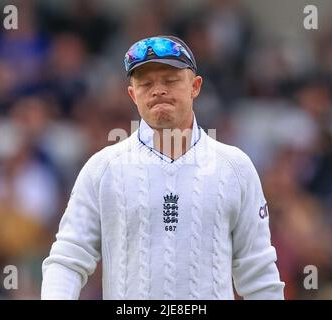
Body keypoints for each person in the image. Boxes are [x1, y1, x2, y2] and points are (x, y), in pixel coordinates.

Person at [41, 35, 285, 300]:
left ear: (195, 86)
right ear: (133, 95)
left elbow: (258, 272)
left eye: (170, 80)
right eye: (146, 84)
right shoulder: (103, 169)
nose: (158, 90)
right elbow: (68, 258)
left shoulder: (235, 168)